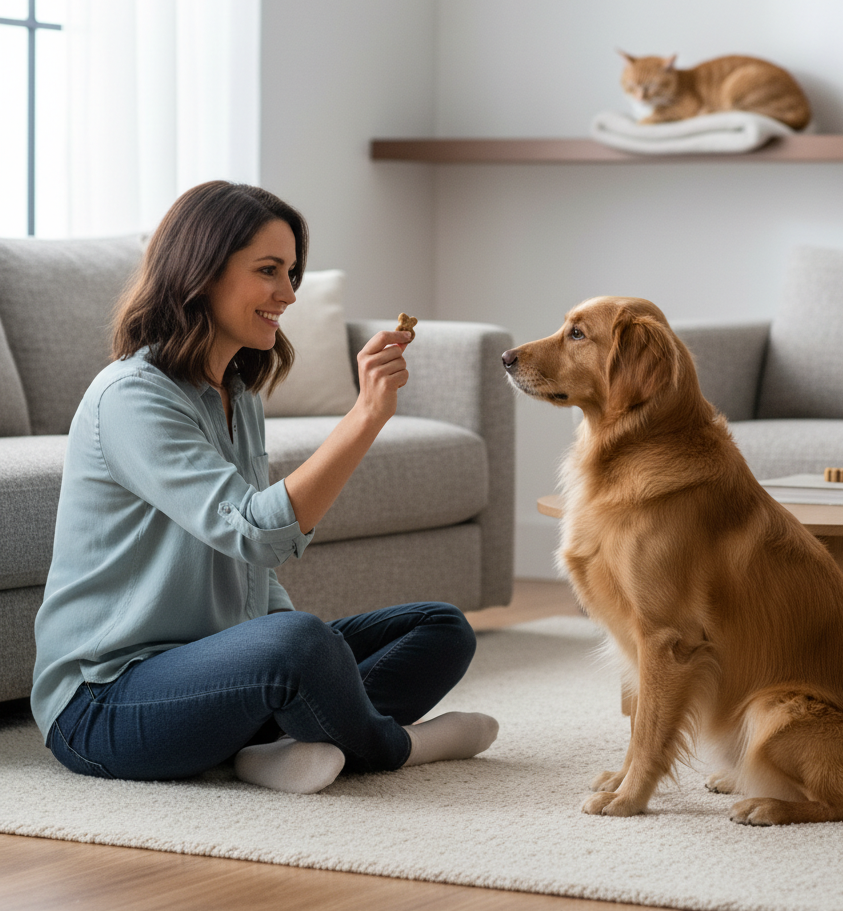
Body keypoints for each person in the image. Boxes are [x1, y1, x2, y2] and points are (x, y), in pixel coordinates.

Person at [31, 181, 498, 794]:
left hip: (209, 672)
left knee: (438, 627)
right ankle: (395, 746)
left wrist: (295, 657)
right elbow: (254, 531)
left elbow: (250, 575)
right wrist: (366, 416)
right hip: (104, 703)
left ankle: (276, 745)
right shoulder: (133, 397)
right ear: (201, 272)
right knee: (299, 643)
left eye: (293, 272)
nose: (289, 293)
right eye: (269, 270)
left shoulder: (238, 393)